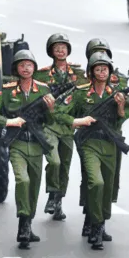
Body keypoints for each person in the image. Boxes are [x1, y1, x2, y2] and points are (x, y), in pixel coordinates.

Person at [0, 49, 56, 248]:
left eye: (29, 65)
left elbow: (50, 120)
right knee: (22, 180)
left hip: (37, 143)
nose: (26, 68)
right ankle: (23, 223)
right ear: (16, 68)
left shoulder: (43, 90)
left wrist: (50, 109)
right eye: (22, 65)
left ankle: (27, 223)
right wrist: (8, 121)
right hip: (17, 144)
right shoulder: (7, 91)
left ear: (34, 68)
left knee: (33, 187)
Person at [65, 52, 126, 250]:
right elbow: (59, 112)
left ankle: (99, 221)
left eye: (105, 69)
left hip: (109, 143)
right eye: (98, 69)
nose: (102, 72)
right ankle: (96, 225)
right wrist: (77, 121)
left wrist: (121, 107)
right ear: (91, 72)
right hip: (89, 143)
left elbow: (121, 120)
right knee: (95, 181)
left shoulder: (115, 94)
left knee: (107, 186)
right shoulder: (81, 93)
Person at [34, 33, 85, 221]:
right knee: (53, 161)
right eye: (57, 48)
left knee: (64, 166)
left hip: (68, 126)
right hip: (49, 125)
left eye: (63, 47)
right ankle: (52, 195)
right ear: (51, 52)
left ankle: (58, 202)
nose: (61, 50)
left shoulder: (78, 74)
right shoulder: (42, 74)